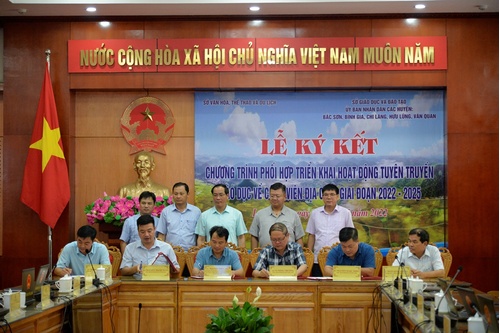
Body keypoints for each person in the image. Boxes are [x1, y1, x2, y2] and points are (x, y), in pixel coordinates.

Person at [306, 183, 354, 276]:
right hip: (317, 258)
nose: (329, 197)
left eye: (332, 194)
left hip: (339, 257)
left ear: (337, 197)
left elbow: (350, 235)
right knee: (319, 286)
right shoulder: (315, 213)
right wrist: (309, 255)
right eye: (326, 195)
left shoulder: (345, 213)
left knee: (337, 287)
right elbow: (311, 235)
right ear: (322, 197)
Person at [249, 182, 305, 249]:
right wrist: (254, 256)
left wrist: (299, 256)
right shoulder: (260, 215)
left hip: (289, 257)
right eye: (272, 196)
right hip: (265, 256)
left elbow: (299, 238)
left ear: (284, 197)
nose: (274, 198)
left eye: (277, 196)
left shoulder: (293, 215)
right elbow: (254, 236)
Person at [195, 184, 247, 248]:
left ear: (227, 196)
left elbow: (241, 237)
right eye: (215, 195)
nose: (218, 198)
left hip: (231, 254)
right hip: (210, 255)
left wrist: (241, 256)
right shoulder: (204, 216)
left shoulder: (236, 214)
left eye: (221, 195)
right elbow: (201, 239)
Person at [157, 182, 201, 251]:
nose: (178, 196)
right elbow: (161, 235)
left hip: (190, 253)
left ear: (187, 194)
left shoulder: (196, 212)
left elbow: (200, 236)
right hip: (170, 252)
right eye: (176, 194)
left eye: (181, 194)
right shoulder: (166, 212)